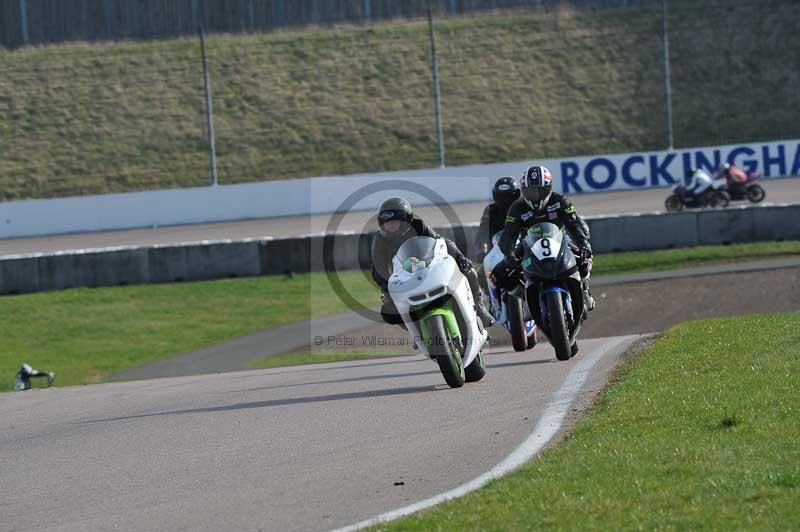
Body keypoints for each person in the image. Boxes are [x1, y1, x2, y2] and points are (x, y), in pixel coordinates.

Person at [370, 197, 494, 328]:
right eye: (386, 223)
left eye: (393, 222)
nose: (389, 226)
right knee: (388, 307)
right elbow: (377, 266)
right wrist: (387, 284)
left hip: (429, 266)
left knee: (469, 270)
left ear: (405, 220)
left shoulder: (419, 225)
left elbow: (442, 242)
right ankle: (414, 330)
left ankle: (479, 307)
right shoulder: (379, 239)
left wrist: (460, 258)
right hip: (403, 276)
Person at [494, 164, 595, 311]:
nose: (536, 196)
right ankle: (526, 299)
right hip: (527, 244)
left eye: (540, 191)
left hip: (561, 240)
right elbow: (508, 235)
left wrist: (583, 244)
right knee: (498, 275)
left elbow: (575, 225)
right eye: (531, 191)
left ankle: (584, 289)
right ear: (523, 190)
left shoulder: (561, 201)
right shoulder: (516, 208)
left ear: (549, 188)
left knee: (585, 257)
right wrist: (509, 255)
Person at [474, 176, 521, 264]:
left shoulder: (523, 208)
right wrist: (482, 252)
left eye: (509, 196)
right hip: (496, 254)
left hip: (521, 251)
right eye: (502, 197)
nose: (505, 200)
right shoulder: (491, 210)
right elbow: (483, 233)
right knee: (479, 270)